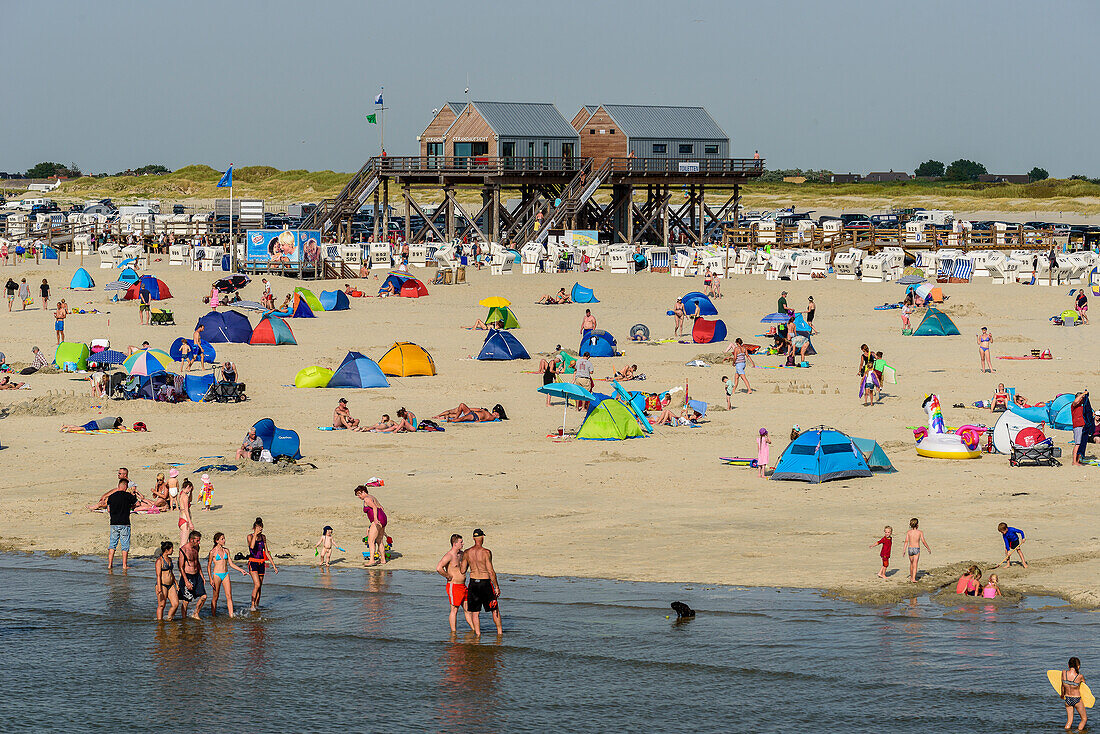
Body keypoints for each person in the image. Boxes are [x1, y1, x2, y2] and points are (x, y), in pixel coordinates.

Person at [461, 528, 502, 636]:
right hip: (485, 583)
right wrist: (496, 586)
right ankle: (499, 633)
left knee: (475, 612)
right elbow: (491, 571)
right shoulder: (486, 552)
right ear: (482, 537)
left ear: (473, 538)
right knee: (494, 609)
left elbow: (462, 570)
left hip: (474, 583)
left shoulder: (467, 552)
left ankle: (478, 635)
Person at [436, 533, 474, 633]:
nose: (463, 544)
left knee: (467, 609)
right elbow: (439, 568)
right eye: (461, 542)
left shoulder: (461, 554)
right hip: (454, 586)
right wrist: (447, 576)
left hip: (463, 586)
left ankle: (474, 630)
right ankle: (453, 633)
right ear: (455, 543)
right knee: (454, 610)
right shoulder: (449, 555)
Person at [207, 532, 248, 617]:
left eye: (224, 538)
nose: (224, 540)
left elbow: (231, 564)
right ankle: (213, 616)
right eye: (222, 539)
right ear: (217, 540)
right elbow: (209, 566)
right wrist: (210, 578)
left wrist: (241, 570)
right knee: (215, 596)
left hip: (225, 574)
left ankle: (231, 615)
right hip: (217, 575)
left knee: (229, 596)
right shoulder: (212, 552)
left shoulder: (226, 550)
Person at [246, 518, 278, 611]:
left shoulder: (263, 537)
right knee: (257, 584)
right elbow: (251, 547)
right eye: (259, 527)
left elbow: (266, 552)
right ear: (254, 528)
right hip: (253, 562)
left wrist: (274, 565)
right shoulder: (250, 536)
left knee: (260, 586)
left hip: (261, 563)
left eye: (261, 527)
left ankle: (257, 605)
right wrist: (255, 534)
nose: (261, 529)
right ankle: (252, 605)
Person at [106, 480, 138, 570]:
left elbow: (108, 509)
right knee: (125, 545)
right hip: (124, 523)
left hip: (114, 523)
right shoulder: (128, 496)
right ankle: (124, 565)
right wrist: (130, 507)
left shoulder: (111, 497)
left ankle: (109, 564)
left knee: (112, 544)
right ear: (125, 486)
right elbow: (137, 503)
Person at [354, 486, 389, 566]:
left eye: (359, 494)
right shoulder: (372, 497)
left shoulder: (367, 499)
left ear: (363, 492)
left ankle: (372, 560)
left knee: (371, 541)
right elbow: (381, 508)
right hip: (383, 519)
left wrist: (375, 519)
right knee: (379, 540)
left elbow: (374, 507)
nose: (359, 497)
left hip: (377, 520)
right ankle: (383, 560)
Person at [178, 530, 207, 619]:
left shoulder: (197, 547)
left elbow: (197, 562)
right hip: (188, 575)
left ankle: (196, 613)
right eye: (197, 540)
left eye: (199, 540)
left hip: (197, 575)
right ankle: (184, 620)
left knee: (204, 596)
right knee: (186, 601)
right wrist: (186, 581)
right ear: (191, 540)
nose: (199, 542)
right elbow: (181, 567)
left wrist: (202, 576)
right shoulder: (183, 550)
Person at [1060, 657, 1088, 731]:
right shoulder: (1080, 677)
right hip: (1077, 699)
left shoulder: (1063, 673)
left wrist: (1062, 695)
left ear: (1068, 665)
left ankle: (1066, 731)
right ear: (1078, 666)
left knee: (1069, 721)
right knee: (1084, 719)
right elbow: (1085, 689)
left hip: (1067, 699)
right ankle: (1079, 731)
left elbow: (1062, 686)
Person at [154, 541, 179, 621]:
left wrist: (176, 583)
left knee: (175, 604)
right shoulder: (159, 561)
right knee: (161, 605)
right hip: (162, 585)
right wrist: (159, 588)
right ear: (167, 550)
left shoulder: (170, 559)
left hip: (171, 585)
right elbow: (158, 575)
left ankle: (169, 618)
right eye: (172, 549)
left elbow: (171, 572)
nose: (173, 550)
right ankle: (160, 623)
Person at [903, 518, 931, 583]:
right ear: (917, 525)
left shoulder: (909, 532)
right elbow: (923, 541)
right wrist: (928, 548)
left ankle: (911, 577)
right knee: (915, 564)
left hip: (910, 549)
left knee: (911, 563)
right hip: (916, 549)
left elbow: (906, 541)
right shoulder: (920, 532)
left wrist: (904, 550)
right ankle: (913, 578)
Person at [431, 403, 507, 422]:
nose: (494, 413)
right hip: (472, 412)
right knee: (462, 405)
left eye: (496, 413)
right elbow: (474, 409)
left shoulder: (492, 417)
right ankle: (438, 416)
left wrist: (480, 420)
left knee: (463, 418)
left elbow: (487, 420)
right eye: (495, 412)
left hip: (475, 417)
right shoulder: (485, 410)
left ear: (498, 416)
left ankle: (451, 420)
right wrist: (466, 409)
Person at [1072, 390, 1090, 466]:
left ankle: (1078, 460)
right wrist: (1083, 394)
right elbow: (1076, 401)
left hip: (1083, 427)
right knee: (1078, 444)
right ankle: (1074, 461)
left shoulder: (1083, 407)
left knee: (1082, 444)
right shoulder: (1074, 405)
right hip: (1078, 426)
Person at [177, 478, 194, 550]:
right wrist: (190, 523)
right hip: (185, 520)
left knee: (183, 542)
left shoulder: (181, 494)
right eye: (190, 489)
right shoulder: (185, 496)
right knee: (183, 544)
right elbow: (186, 510)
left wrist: (191, 492)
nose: (190, 490)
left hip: (181, 519)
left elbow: (190, 500)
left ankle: (182, 559)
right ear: (188, 487)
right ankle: (181, 560)